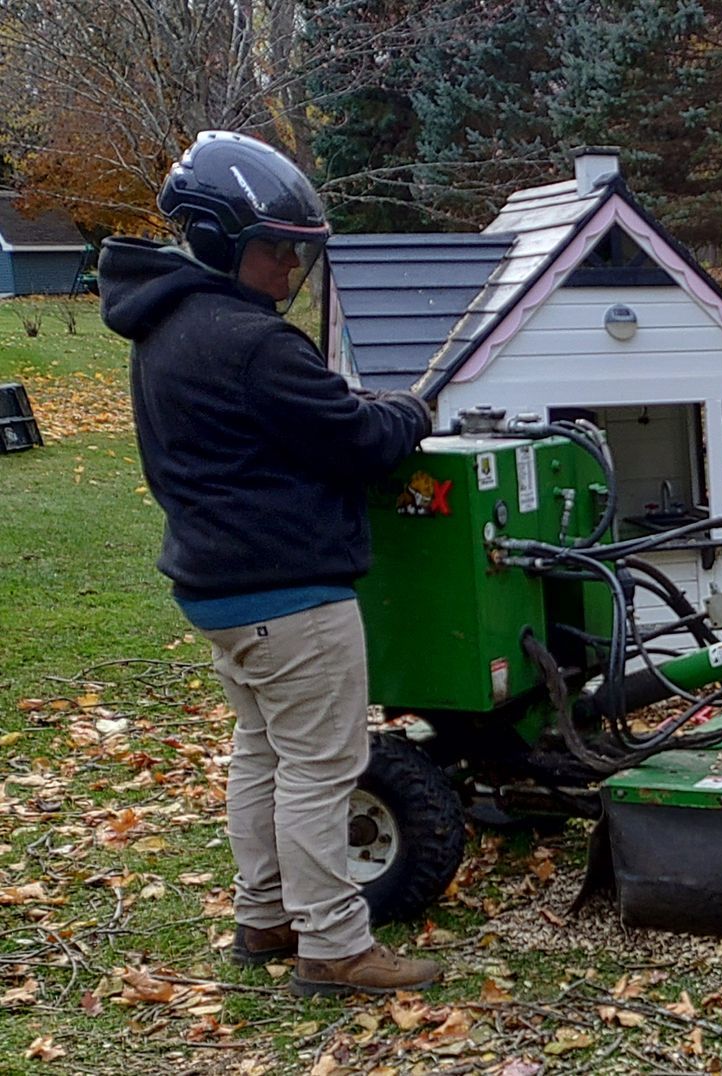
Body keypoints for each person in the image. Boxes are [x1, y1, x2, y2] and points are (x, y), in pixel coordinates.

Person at [98, 131, 439, 997]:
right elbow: (358, 437)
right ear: (219, 241)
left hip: (217, 589)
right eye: (276, 249)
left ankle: (266, 916)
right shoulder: (255, 345)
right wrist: (410, 410)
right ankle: (334, 945)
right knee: (323, 769)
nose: (291, 268)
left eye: (298, 251)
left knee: (263, 754)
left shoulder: (167, 325)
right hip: (291, 593)